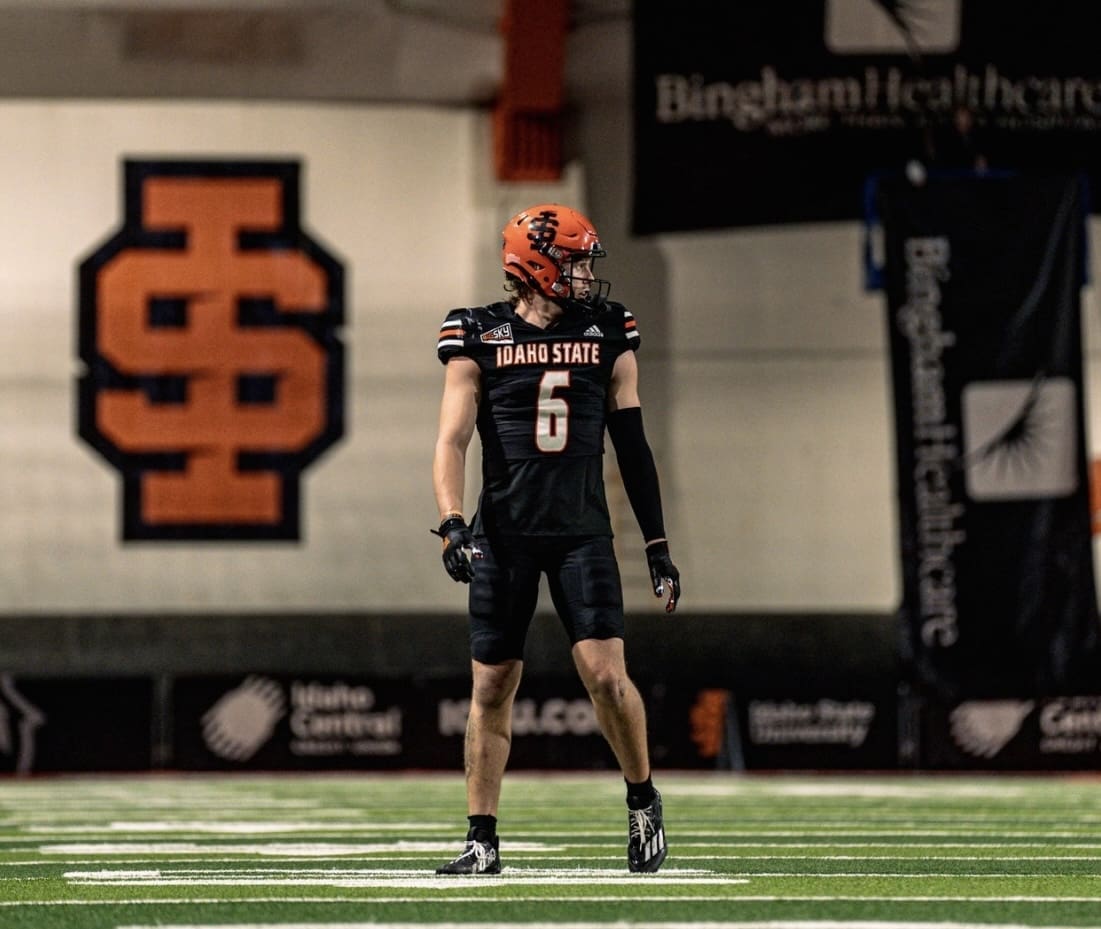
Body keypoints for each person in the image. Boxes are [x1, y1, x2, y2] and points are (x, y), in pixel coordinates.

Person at [430, 203, 681, 876]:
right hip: (505, 534)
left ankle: (641, 799)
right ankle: (481, 837)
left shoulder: (605, 329)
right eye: (573, 261)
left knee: (605, 675)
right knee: (491, 687)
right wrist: (453, 520)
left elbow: (630, 441)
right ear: (534, 264)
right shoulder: (476, 331)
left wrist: (656, 541)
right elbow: (452, 437)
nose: (585, 275)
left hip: (579, 532)